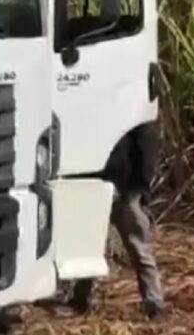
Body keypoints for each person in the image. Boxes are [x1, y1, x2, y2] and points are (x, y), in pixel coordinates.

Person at [69, 121, 165, 319]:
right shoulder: (104, 112)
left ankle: (154, 303)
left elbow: (147, 153)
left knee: (139, 248)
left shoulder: (137, 118)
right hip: (99, 187)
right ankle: (80, 299)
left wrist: (138, 190)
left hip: (126, 193)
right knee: (90, 248)